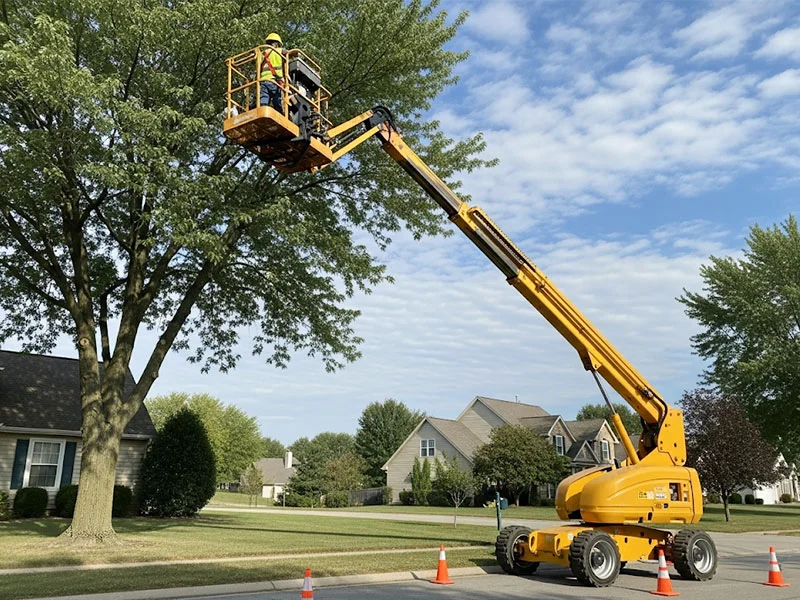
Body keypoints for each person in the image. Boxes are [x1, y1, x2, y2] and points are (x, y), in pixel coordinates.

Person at [260, 32, 285, 113]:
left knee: (264, 97)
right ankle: (280, 113)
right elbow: (288, 52)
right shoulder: (278, 51)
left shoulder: (262, 54)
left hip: (263, 81)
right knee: (276, 99)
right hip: (275, 82)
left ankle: (263, 109)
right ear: (277, 44)